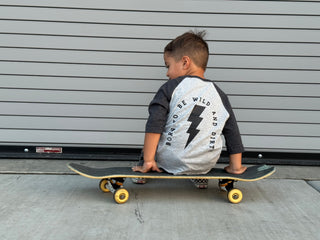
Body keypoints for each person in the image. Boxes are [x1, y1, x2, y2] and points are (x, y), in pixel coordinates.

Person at [132, 31, 247, 188]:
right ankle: (199, 176)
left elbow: (154, 124)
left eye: (168, 66)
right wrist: (236, 166)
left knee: (154, 139)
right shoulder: (219, 93)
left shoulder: (170, 88)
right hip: (205, 163)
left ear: (185, 62)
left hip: (169, 160)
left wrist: (149, 159)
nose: (167, 73)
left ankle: (144, 169)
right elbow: (231, 130)